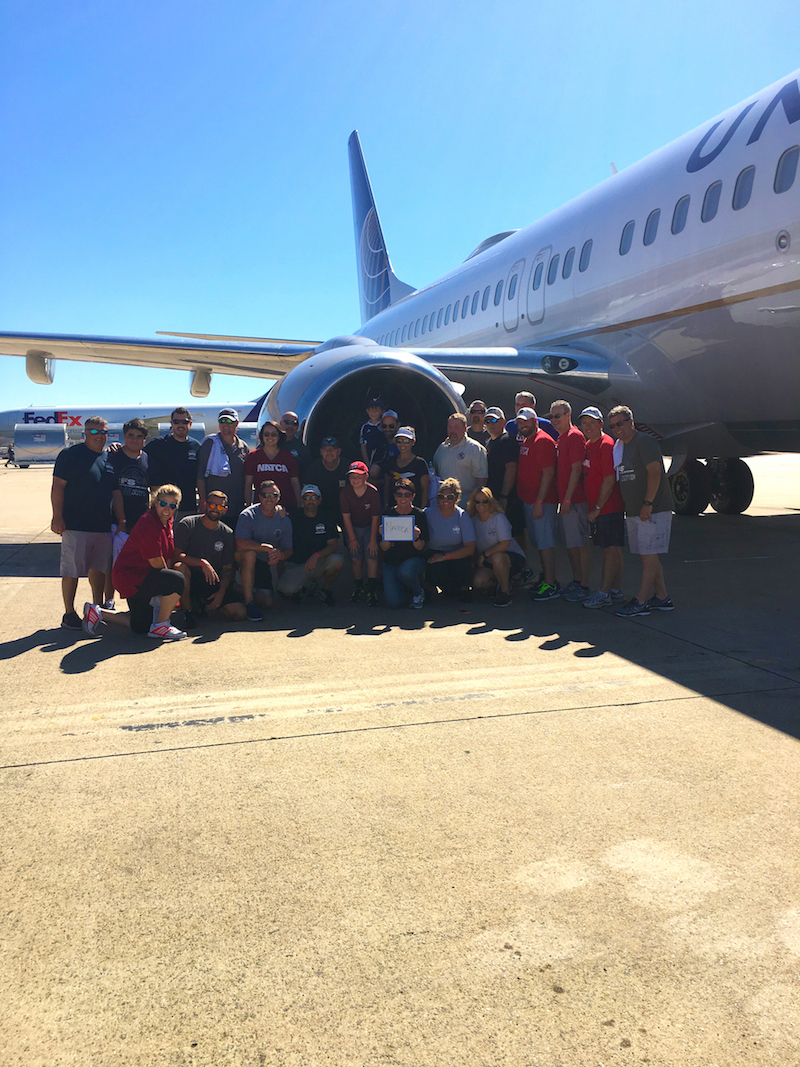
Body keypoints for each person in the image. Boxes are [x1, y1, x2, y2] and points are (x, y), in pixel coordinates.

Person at [83, 484, 188, 640]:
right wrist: (165, 591)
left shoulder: (167, 522)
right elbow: (156, 563)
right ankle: (161, 626)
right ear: (155, 502)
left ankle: (98, 612)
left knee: (141, 626)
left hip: (143, 575)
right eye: (163, 503)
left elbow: (167, 555)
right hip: (130, 577)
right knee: (176, 580)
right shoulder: (148, 523)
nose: (167, 508)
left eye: (172, 505)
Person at [609, 405, 675, 617]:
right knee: (648, 556)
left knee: (648, 556)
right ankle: (663, 597)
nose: (617, 428)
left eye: (620, 423)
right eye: (613, 426)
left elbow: (655, 472)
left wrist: (648, 503)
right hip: (635, 510)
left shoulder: (644, 442)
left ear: (631, 422)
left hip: (652, 509)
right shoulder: (621, 446)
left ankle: (640, 601)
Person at [51, 416, 114, 629]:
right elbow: (58, 486)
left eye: (103, 432)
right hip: (75, 524)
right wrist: (57, 516)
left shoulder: (109, 458)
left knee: (100, 570)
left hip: (103, 525)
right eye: (94, 432)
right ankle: (69, 613)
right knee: (72, 570)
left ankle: (97, 609)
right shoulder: (70, 455)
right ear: (84, 433)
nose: (99, 436)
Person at [173, 491, 246, 627]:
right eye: (212, 504)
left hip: (212, 580)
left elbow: (227, 567)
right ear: (205, 504)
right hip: (191, 576)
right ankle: (188, 612)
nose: (215, 509)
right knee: (179, 567)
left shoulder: (227, 533)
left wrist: (221, 592)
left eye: (219, 507)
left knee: (239, 613)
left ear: (225, 510)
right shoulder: (188, 524)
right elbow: (177, 555)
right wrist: (201, 563)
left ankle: (205, 603)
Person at [579, 407, 626, 609]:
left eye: (592, 423)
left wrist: (598, 508)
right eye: (584, 423)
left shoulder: (606, 445)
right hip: (599, 508)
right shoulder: (590, 444)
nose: (588, 427)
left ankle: (604, 593)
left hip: (608, 507)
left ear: (601, 424)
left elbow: (609, 479)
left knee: (610, 550)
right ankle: (615, 589)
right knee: (613, 550)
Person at [515, 407, 560, 601]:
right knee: (539, 543)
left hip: (541, 503)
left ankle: (551, 584)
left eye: (526, 421)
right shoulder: (527, 439)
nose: (523, 425)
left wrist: (540, 502)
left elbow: (548, 473)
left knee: (545, 543)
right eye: (520, 422)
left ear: (535, 421)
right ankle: (545, 579)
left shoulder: (542, 441)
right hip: (530, 501)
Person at [549, 400, 591, 602]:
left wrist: (567, 498)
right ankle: (576, 580)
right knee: (571, 544)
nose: (554, 420)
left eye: (557, 416)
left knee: (580, 544)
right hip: (566, 501)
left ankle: (584, 585)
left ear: (568, 416)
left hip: (575, 500)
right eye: (551, 416)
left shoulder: (574, 437)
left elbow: (577, 469)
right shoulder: (562, 438)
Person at [235, 480, 293, 620]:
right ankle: (249, 602)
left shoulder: (284, 519)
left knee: (268, 603)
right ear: (259, 497)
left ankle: (237, 590)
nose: (269, 498)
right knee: (250, 553)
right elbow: (240, 544)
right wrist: (264, 547)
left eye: (273, 495)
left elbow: (289, 549)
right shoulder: (248, 515)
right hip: (241, 561)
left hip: (265, 563)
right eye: (265, 495)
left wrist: (281, 555)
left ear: (278, 497)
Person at [277, 485, 344, 605]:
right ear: (302, 500)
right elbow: (281, 545)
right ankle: (301, 587)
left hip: (318, 562)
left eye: (314, 497)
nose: (310, 500)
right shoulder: (292, 517)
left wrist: (316, 555)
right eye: (307, 497)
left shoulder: (327, 517)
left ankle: (325, 590)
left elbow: (333, 546)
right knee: (286, 591)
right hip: (297, 565)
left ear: (320, 500)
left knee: (337, 561)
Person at [466, 487, 526, 607]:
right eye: (477, 501)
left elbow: (505, 544)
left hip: (512, 558)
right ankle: (496, 583)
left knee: (497, 557)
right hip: (488, 561)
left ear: (490, 502)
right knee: (478, 582)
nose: (481, 505)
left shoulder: (499, 518)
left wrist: (484, 555)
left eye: (485, 501)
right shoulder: (472, 520)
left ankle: (506, 592)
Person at [380, 478, 428, 609]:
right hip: (392, 561)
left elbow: (420, 547)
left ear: (413, 496)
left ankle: (418, 593)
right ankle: (408, 589)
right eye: (399, 494)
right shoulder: (388, 514)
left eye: (407, 495)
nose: (403, 498)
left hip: (413, 561)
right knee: (394, 602)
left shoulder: (420, 515)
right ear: (394, 496)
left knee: (406, 571)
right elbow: (384, 547)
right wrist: (384, 536)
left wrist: (416, 537)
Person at [424, 477, 476, 600]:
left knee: (462, 563)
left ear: (457, 498)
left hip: (456, 555)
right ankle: (433, 588)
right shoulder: (427, 513)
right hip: (434, 552)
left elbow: (470, 548)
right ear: (437, 498)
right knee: (434, 565)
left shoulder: (462, 516)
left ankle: (461, 589)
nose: (445, 500)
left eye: (450, 497)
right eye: (441, 496)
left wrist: (444, 557)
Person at [197, 408, 249, 528]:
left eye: (229, 422)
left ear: (236, 424)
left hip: (236, 506)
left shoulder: (243, 447)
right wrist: (202, 500)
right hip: (213, 507)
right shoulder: (209, 443)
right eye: (222, 421)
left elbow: (246, 479)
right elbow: (200, 475)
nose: (225, 425)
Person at [144, 407, 199, 517]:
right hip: (163, 508)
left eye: (184, 422)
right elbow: (136, 455)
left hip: (188, 508)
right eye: (176, 422)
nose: (180, 425)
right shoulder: (158, 444)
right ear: (171, 424)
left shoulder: (196, 447)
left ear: (190, 424)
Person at [340, 461, 381, 605]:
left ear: (366, 477)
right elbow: (346, 516)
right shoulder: (345, 492)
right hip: (353, 527)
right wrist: (352, 538)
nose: (355, 480)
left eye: (359, 476)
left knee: (371, 556)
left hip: (370, 527)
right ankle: (358, 587)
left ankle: (372, 589)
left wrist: (372, 540)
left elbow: (375, 517)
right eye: (352, 477)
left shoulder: (373, 492)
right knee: (355, 558)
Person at [243, 421, 301, 509]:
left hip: (287, 506)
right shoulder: (253, 456)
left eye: (274, 434)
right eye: (266, 434)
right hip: (261, 508)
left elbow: (295, 483)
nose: (270, 437)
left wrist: (299, 505)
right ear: (262, 436)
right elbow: (248, 484)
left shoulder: (288, 456)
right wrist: (248, 506)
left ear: (279, 436)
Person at [432, 413, 488, 496]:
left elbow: (481, 480)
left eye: (456, 427)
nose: (453, 430)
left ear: (464, 428)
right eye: (450, 427)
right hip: (444, 501)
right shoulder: (442, 448)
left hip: (466, 501)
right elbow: (434, 473)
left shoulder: (475, 448)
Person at [305, 437, 351, 526]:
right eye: (326, 450)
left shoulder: (348, 467)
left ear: (339, 451)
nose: (329, 452)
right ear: (321, 451)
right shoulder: (313, 468)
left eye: (332, 449)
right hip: (321, 511)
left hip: (345, 511)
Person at [383, 426, 429, 506]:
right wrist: (386, 506)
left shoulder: (420, 463)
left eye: (406, 441)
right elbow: (387, 487)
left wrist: (423, 510)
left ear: (413, 442)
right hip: (393, 510)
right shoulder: (390, 461)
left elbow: (425, 490)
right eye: (399, 441)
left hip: (415, 509)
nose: (402, 444)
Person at [369, 409, 400, 487]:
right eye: (384, 426)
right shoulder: (378, 441)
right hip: (382, 474)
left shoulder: (403, 442)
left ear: (398, 425)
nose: (387, 429)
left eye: (391, 426)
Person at [278, 411, 311, 481]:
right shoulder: (270, 444)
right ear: (280, 423)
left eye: (294, 424)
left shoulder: (302, 449)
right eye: (287, 422)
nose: (290, 426)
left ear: (297, 427)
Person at [359, 394, 385, 469]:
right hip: (370, 458)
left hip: (383, 456)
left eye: (377, 410)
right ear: (367, 411)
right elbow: (363, 446)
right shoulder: (365, 427)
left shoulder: (385, 424)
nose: (374, 412)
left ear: (382, 411)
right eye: (371, 410)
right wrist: (367, 463)